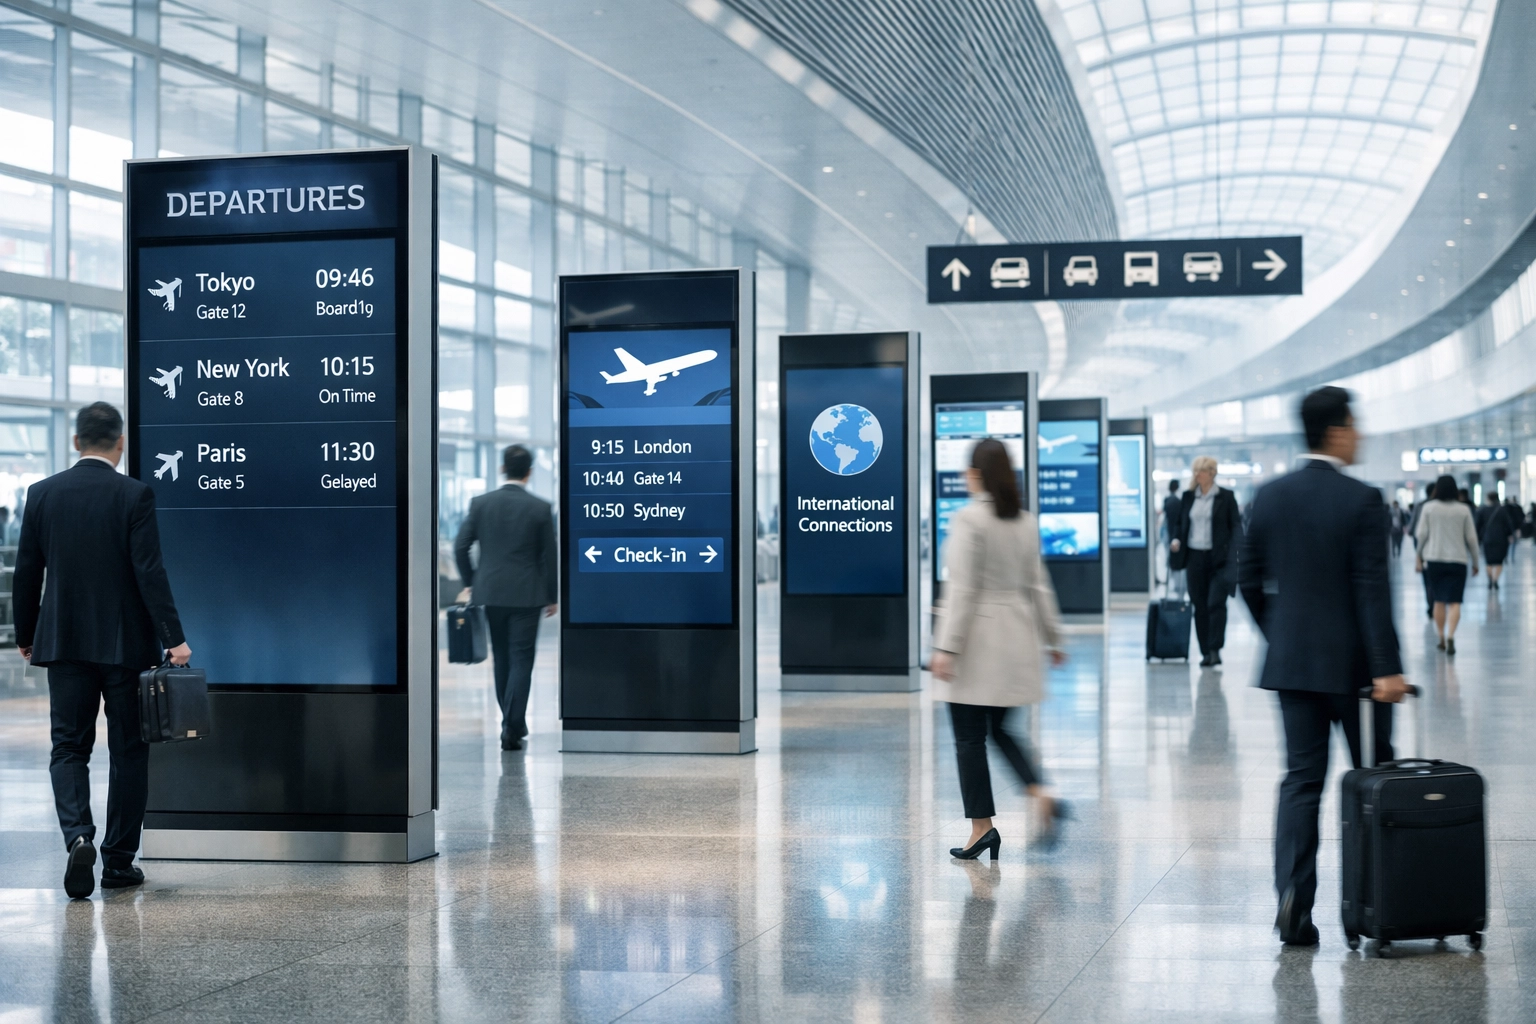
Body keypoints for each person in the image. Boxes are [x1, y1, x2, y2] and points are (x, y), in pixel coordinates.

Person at [1239, 386, 1408, 947]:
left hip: (1292, 667)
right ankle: (1379, 902)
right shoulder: (1361, 499)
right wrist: (1387, 668)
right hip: (1358, 674)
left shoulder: (1269, 496)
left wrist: (1282, 635)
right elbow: (1371, 591)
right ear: (1336, 430)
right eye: (1355, 423)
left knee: (1301, 783)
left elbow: (1247, 580)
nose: (1360, 432)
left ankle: (1294, 899)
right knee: (1371, 780)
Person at [13, 403, 191, 900]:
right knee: (129, 752)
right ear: (120, 444)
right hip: (125, 646)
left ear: (76, 442)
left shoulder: (43, 494)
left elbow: (28, 573)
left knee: (68, 746)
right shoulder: (134, 494)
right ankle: (117, 862)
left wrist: (26, 634)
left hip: (64, 642)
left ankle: (78, 837)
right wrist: (173, 638)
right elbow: (149, 572)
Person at [931, 439, 1068, 860]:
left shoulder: (970, 519)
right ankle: (1040, 790)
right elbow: (1038, 583)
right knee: (1002, 729)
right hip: (1016, 640)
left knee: (969, 739)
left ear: (975, 474)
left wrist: (946, 648)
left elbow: (963, 590)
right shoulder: (1024, 521)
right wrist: (1054, 637)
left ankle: (982, 828)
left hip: (977, 645)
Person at [454, 444, 557, 751]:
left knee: (502, 658)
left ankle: (513, 723)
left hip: (491, 593)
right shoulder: (540, 508)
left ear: (502, 469)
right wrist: (551, 596)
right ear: (529, 472)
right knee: (522, 659)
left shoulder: (481, 504)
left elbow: (461, 547)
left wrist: (473, 583)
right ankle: (511, 727)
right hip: (528, 595)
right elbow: (549, 557)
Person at [1169, 455, 1242, 667]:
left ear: (1211, 473)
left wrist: (1237, 552)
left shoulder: (1226, 497)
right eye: (1195, 471)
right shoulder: (1189, 496)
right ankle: (1205, 651)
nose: (1196, 475)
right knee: (1199, 605)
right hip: (1194, 557)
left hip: (1219, 559)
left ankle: (1215, 647)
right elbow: (1180, 523)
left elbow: (1235, 526)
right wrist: (1176, 539)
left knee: (1215, 603)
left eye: (1200, 471)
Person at [1415, 474, 1479, 655]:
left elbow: (1421, 535)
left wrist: (1418, 556)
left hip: (1434, 560)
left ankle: (1441, 637)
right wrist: (1475, 562)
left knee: (1439, 600)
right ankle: (1451, 635)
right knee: (1455, 601)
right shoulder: (1463, 509)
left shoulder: (1428, 508)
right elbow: (1472, 539)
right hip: (1458, 560)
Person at [1477, 492, 1515, 589]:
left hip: (1487, 539)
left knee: (1488, 562)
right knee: (1499, 561)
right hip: (1501, 539)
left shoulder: (1483, 510)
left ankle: (1490, 579)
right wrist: (1511, 535)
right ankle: (1495, 579)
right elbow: (1508, 524)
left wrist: (1478, 538)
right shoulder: (1502, 510)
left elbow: (1478, 525)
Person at [1160, 478, 1187, 596]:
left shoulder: (1167, 500)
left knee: (1171, 559)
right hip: (1176, 535)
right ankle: (1177, 585)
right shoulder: (1178, 501)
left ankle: (1174, 584)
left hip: (1170, 535)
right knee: (1176, 560)